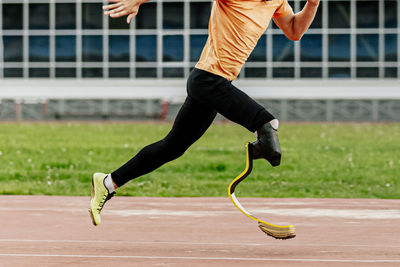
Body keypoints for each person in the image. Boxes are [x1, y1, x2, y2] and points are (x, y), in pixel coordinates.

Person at [89, 0, 320, 226]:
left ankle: (107, 182)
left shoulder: (277, 2)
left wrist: (313, 4)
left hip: (215, 84)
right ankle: (258, 146)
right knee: (267, 124)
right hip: (208, 80)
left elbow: (294, 30)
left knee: (172, 147)